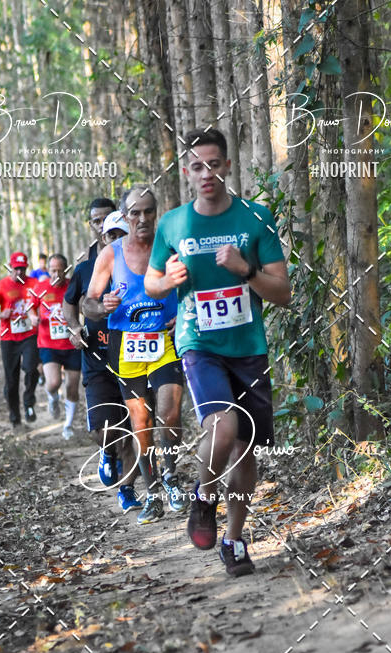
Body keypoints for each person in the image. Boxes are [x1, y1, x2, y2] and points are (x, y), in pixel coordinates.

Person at [145, 128, 291, 576]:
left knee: (246, 452)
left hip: (248, 346)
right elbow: (152, 283)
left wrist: (245, 269)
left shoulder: (255, 218)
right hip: (198, 342)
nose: (206, 174)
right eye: (196, 166)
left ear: (228, 166)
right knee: (222, 428)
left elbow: (282, 292)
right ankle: (204, 497)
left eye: (213, 164)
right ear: (187, 173)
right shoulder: (172, 224)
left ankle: (234, 540)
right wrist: (167, 280)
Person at [85, 185, 187, 525]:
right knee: (141, 421)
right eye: (135, 213)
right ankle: (152, 490)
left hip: (165, 338)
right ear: (125, 217)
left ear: (155, 213)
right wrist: (102, 306)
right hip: (125, 343)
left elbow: (194, 284)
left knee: (170, 411)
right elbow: (88, 301)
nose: (142, 218)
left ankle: (171, 476)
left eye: (147, 211)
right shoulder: (110, 254)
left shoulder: (170, 244)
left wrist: (184, 313)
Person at [63, 200, 140, 511]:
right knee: (103, 431)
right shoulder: (84, 269)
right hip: (97, 359)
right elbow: (72, 304)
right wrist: (75, 328)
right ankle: (108, 452)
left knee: (135, 427)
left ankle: (128, 490)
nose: (103, 226)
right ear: (95, 227)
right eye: (97, 221)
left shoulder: (141, 261)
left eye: (110, 221)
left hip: (135, 356)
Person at [28, 254, 80, 440]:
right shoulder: (41, 288)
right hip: (48, 343)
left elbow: (82, 306)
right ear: (47, 270)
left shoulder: (72, 287)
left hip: (71, 343)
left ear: (66, 270)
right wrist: (33, 317)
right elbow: (30, 306)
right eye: (53, 270)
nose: (56, 274)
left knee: (72, 387)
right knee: (53, 383)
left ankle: (68, 425)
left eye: (60, 270)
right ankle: (53, 398)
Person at [0, 252, 38, 425]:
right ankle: (15, 415)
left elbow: (44, 304)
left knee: (31, 369)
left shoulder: (34, 284)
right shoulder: (1, 286)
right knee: (11, 380)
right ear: (10, 268)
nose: (19, 272)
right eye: (16, 269)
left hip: (30, 335)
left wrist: (36, 315)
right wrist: (2, 314)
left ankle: (29, 402)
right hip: (8, 337)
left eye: (22, 269)